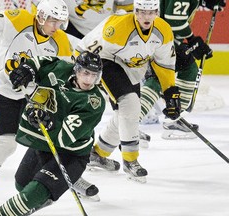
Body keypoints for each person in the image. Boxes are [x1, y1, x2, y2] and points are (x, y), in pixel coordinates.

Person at [0, 0, 98, 211]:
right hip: (1, 90)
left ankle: (66, 176)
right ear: (41, 17)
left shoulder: (61, 42)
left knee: (49, 139)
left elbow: (58, 75)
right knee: (6, 143)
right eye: (52, 21)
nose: (56, 27)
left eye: (60, 22)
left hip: (31, 97)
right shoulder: (19, 20)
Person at [0, 51, 105, 216]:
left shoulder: (94, 102)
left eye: (93, 75)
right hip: (44, 144)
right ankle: (53, 190)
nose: (89, 80)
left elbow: (64, 138)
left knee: (32, 194)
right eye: (85, 73)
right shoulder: (61, 69)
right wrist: (27, 69)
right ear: (76, 69)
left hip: (71, 154)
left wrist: (47, 121)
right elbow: (40, 61)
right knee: (22, 183)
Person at [75, 0, 181, 183]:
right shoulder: (117, 28)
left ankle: (97, 153)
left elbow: (165, 64)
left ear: (157, 11)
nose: (146, 17)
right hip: (107, 62)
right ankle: (131, 160)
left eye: (151, 12)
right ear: (135, 11)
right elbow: (85, 49)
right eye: (142, 12)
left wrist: (170, 91)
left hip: (132, 69)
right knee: (130, 105)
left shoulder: (163, 31)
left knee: (125, 113)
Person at [139, 0, 226, 143]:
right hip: (158, 39)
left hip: (162, 37)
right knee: (158, 78)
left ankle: (174, 118)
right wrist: (193, 40)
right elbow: (175, 21)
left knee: (188, 67)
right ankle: (129, 125)